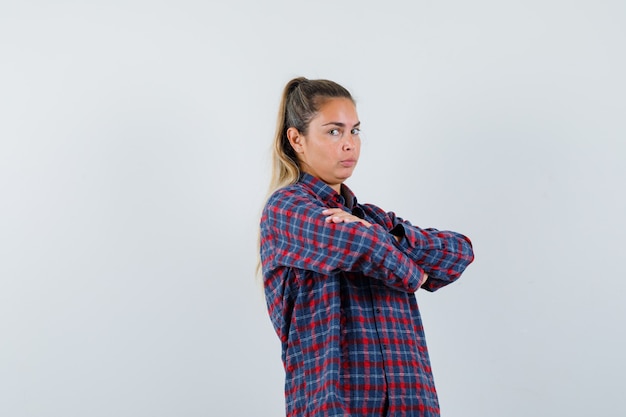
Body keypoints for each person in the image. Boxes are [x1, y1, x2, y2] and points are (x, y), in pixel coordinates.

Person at [258, 77, 474, 417]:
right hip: (337, 406)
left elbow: (458, 252)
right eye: (333, 131)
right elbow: (358, 245)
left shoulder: (369, 217)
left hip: (410, 402)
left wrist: (381, 234)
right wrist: (415, 275)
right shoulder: (287, 209)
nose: (349, 144)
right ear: (296, 139)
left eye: (354, 131)